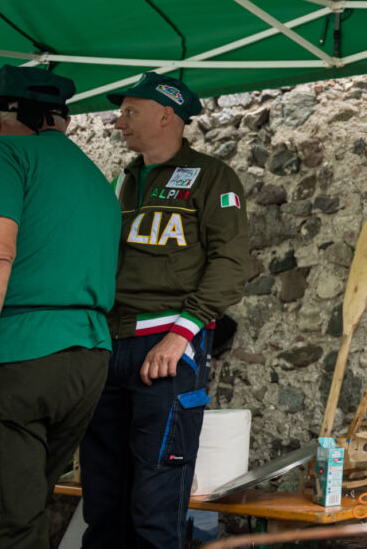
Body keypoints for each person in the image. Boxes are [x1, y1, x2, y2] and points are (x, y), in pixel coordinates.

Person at [0, 65, 120, 548]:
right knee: (27, 508)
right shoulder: (94, 177)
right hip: (86, 361)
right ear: (63, 120)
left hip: (15, 360)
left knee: (2, 527)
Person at [80, 72, 251, 549]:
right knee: (103, 499)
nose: (118, 123)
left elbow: (233, 262)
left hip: (168, 347)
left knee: (156, 501)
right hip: (107, 347)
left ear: (166, 115)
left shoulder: (213, 176)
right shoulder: (120, 182)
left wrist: (182, 333)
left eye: (129, 111)